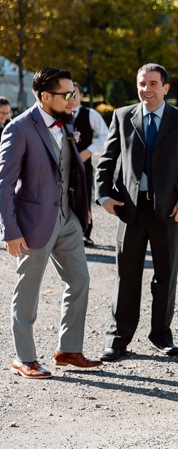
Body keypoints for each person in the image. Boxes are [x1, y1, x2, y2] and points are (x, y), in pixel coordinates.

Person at [95, 63, 178, 362]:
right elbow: (107, 160)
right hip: (129, 210)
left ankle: (161, 336)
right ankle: (118, 340)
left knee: (165, 276)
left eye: (154, 83)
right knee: (126, 276)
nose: (147, 89)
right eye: (142, 83)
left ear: (165, 88)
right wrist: (104, 195)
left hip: (169, 211)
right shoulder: (122, 116)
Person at [0, 68, 102, 379]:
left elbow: (73, 172)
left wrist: (82, 210)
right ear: (46, 96)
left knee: (80, 280)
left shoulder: (68, 122)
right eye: (67, 94)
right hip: (33, 222)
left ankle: (68, 350)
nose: (74, 99)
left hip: (69, 218)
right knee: (28, 290)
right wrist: (10, 231)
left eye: (74, 93)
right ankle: (24, 358)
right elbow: (4, 185)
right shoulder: (19, 129)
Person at [72, 82, 109, 247]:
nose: (71, 98)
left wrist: (89, 151)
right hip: (60, 164)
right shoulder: (58, 115)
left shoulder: (90, 114)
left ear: (81, 95)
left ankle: (86, 232)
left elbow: (105, 135)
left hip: (83, 164)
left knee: (84, 196)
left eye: (74, 94)